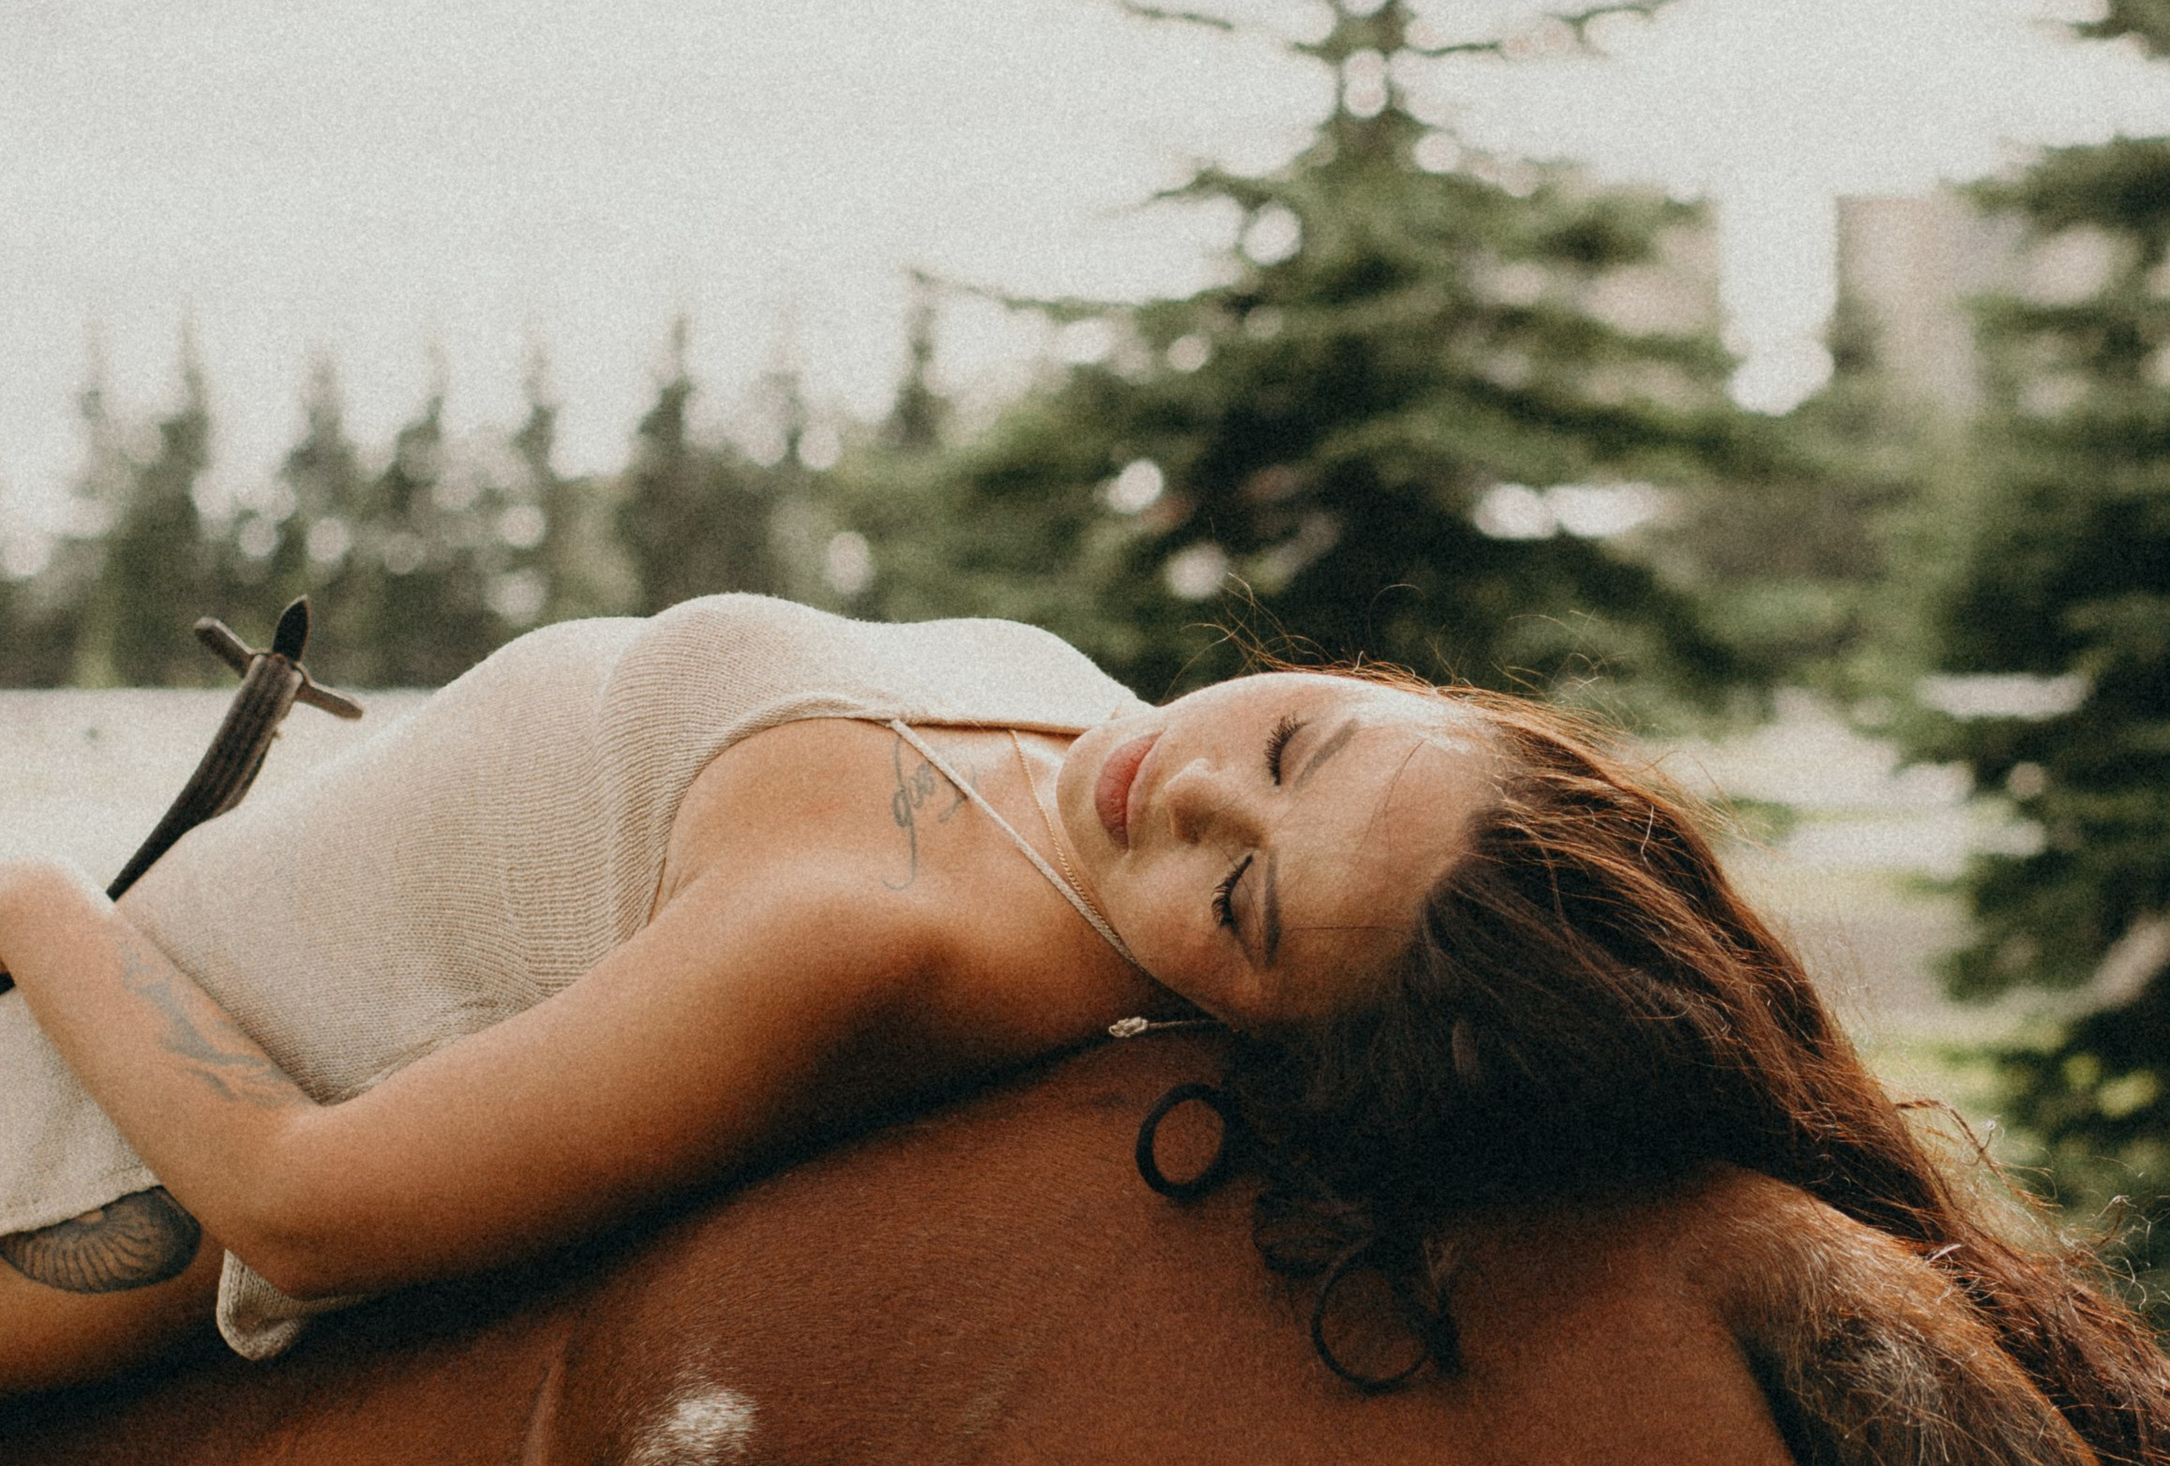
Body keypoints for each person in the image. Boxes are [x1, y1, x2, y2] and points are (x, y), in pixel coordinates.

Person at [0, 593, 1485, 1403]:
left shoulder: (871, 939)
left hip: (93, 1137)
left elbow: (298, 1202)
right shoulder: (1084, 716)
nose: (1198, 791)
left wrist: (31, 893)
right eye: (1300, 746)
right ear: (1400, 686)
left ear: (1285, 1025)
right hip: (128, 959)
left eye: (1241, 901)